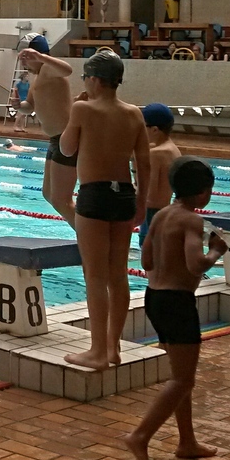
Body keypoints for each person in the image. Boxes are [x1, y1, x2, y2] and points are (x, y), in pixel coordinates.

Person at [124, 157, 228, 460]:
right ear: (203, 192)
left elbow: (146, 261)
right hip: (177, 303)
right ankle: (140, 436)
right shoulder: (192, 220)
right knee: (183, 380)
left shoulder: (162, 215)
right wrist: (216, 251)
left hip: (154, 298)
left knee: (180, 375)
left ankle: (187, 442)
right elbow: (196, 264)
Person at [57, 51, 148, 370]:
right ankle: (113, 347)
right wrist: (141, 203)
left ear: (94, 80)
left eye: (85, 78)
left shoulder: (83, 108)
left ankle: (97, 352)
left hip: (94, 195)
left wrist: (74, 111)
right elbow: (144, 162)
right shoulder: (134, 113)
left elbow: (66, 148)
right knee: (118, 274)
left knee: (95, 275)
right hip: (125, 196)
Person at [16, 46, 76, 226]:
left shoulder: (49, 69)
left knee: (61, 200)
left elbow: (68, 69)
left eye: (26, 56)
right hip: (55, 140)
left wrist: (41, 57)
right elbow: (29, 107)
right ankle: (86, 234)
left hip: (65, 138)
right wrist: (19, 106)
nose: (23, 61)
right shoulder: (38, 78)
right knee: (48, 194)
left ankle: (89, 236)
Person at [139, 104, 180, 249]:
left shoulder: (156, 154)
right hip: (165, 213)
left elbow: (149, 196)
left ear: (155, 130)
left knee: (150, 260)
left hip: (152, 216)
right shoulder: (173, 149)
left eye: (142, 126)